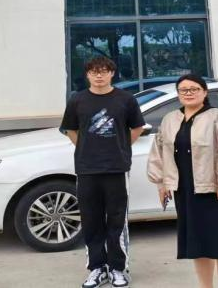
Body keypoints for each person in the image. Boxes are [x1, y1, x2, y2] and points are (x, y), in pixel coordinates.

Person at [147, 74, 218, 288]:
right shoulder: (170, 119)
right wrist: (162, 183)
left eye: (194, 89)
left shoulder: (217, 116)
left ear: (204, 92)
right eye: (183, 90)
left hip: (212, 190)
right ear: (178, 94)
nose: (189, 93)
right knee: (197, 245)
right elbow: (159, 151)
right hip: (183, 190)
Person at [60, 57, 146, 288]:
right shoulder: (77, 100)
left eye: (104, 71)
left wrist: (120, 146)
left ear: (112, 73)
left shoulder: (125, 99)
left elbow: (137, 127)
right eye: (94, 71)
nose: (99, 75)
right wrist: (86, 148)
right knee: (91, 219)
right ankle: (97, 268)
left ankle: (118, 268)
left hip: (116, 167)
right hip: (87, 168)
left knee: (117, 220)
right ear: (87, 75)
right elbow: (70, 129)